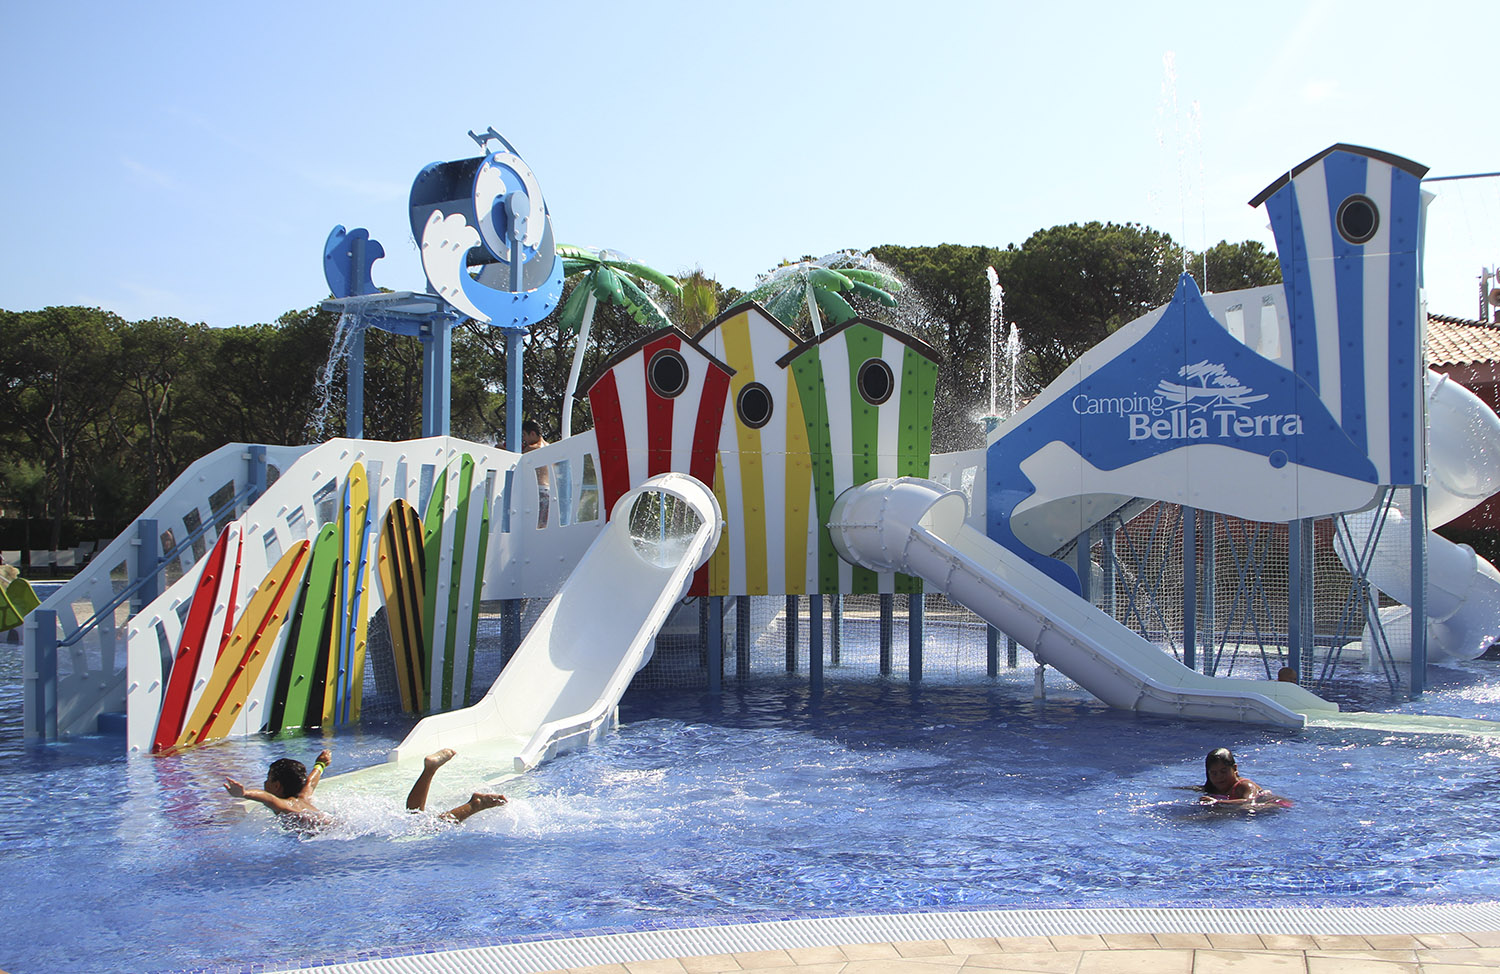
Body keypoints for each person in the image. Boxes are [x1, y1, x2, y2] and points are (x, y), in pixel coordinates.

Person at [223, 747, 506, 830]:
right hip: (350, 824)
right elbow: (312, 780)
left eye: (268, 778)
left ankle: (474, 804)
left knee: (424, 828)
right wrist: (321, 764)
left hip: (353, 832)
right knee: (415, 820)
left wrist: (245, 793)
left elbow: (266, 799)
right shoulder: (304, 797)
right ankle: (430, 772)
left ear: (276, 785)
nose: (265, 783)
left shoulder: (288, 806)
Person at [1198, 747, 1283, 806]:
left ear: (1235, 769)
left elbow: (1249, 801)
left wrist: (1218, 802)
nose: (1219, 776)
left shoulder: (1244, 785)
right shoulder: (1213, 788)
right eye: (1214, 773)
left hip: (1275, 806)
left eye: (1223, 771)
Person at [521, 418, 552, 526]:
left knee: (531, 524)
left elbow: (516, 459)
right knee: (543, 525)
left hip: (538, 490)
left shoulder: (531, 449)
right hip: (549, 491)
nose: (524, 439)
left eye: (524, 435)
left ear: (532, 434)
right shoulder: (551, 447)